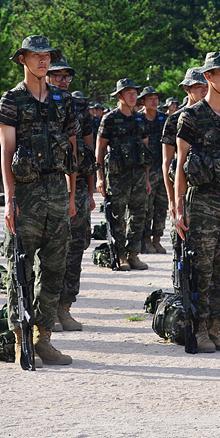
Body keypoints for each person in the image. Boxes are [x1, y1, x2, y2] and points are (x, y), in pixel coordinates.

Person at [1, 35, 78, 366]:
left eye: (47, 55)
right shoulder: (11, 100)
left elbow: (72, 151)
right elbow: (5, 151)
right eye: (36, 55)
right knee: (19, 268)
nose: (43, 60)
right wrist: (9, 199)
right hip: (26, 193)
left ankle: (43, 337)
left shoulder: (63, 100)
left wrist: (72, 194)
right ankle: (21, 339)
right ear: (23, 59)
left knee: (54, 268)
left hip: (57, 193)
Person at [173, 51, 220, 352]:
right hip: (201, 203)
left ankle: (217, 327)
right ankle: (199, 328)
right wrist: (178, 208)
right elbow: (180, 164)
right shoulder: (190, 117)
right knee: (201, 269)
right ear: (208, 77)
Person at [46, 56, 96, 332]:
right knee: (50, 252)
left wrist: (89, 191)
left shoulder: (79, 106)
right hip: (47, 189)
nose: (63, 80)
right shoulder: (38, 104)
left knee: (75, 249)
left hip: (75, 191)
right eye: (58, 75)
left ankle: (65, 308)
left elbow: (84, 154)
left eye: (67, 76)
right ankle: (47, 310)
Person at [96, 78, 151, 271]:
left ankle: (133, 254)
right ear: (119, 96)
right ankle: (119, 255)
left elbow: (145, 150)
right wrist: (100, 177)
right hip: (118, 176)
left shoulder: (140, 119)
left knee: (138, 215)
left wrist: (147, 177)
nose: (133, 96)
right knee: (118, 216)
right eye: (129, 93)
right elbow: (100, 149)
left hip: (138, 174)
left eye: (135, 93)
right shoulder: (109, 119)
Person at [161, 68, 208, 249]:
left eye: (206, 87)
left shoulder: (216, 117)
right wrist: (172, 199)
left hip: (209, 189)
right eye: (199, 87)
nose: (204, 91)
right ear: (188, 90)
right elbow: (167, 162)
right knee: (184, 248)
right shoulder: (174, 120)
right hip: (185, 191)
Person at [137, 86, 168, 254]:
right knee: (146, 206)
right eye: (150, 98)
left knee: (161, 206)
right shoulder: (138, 119)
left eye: (156, 98)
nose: (154, 101)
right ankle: (146, 239)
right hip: (146, 169)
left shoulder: (164, 119)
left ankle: (157, 238)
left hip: (162, 167)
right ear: (143, 101)